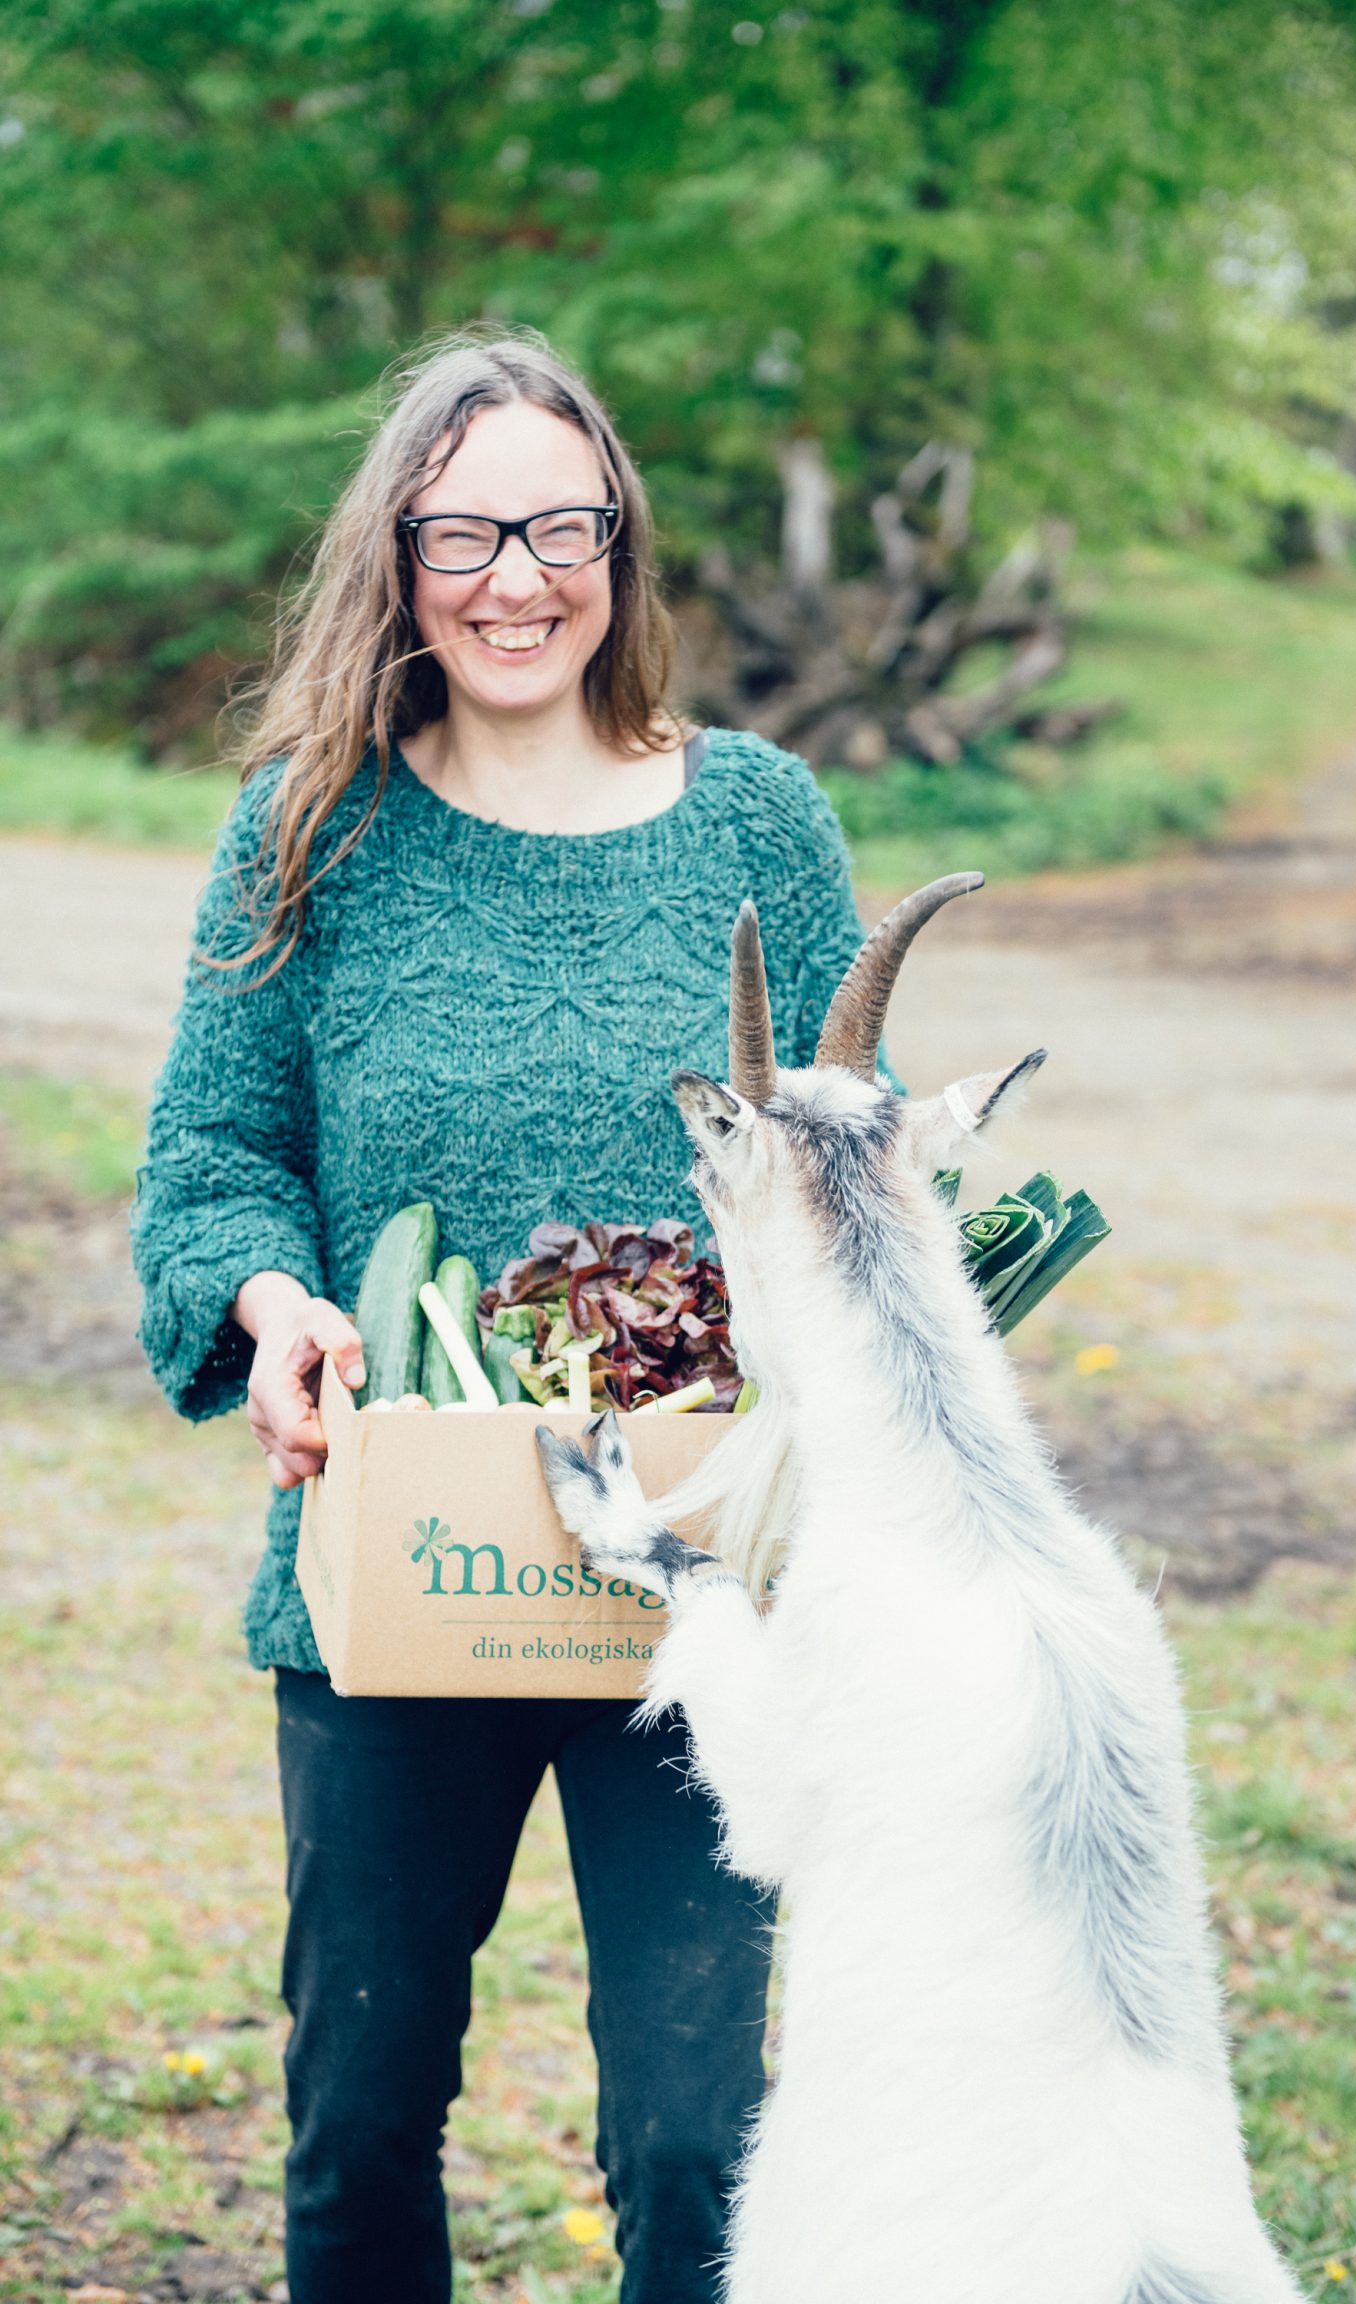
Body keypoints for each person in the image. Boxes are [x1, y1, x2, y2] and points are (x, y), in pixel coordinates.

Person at [130, 330, 882, 2304]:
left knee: (698, 2139)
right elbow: (214, 1152)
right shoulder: (314, 827)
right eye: (461, 530)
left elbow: (843, 1162)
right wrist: (277, 1300)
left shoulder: (760, 829)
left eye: (561, 523)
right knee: (363, 2112)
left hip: (696, 1596)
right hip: (398, 1578)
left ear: (621, 549)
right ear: (396, 556)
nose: (514, 574)